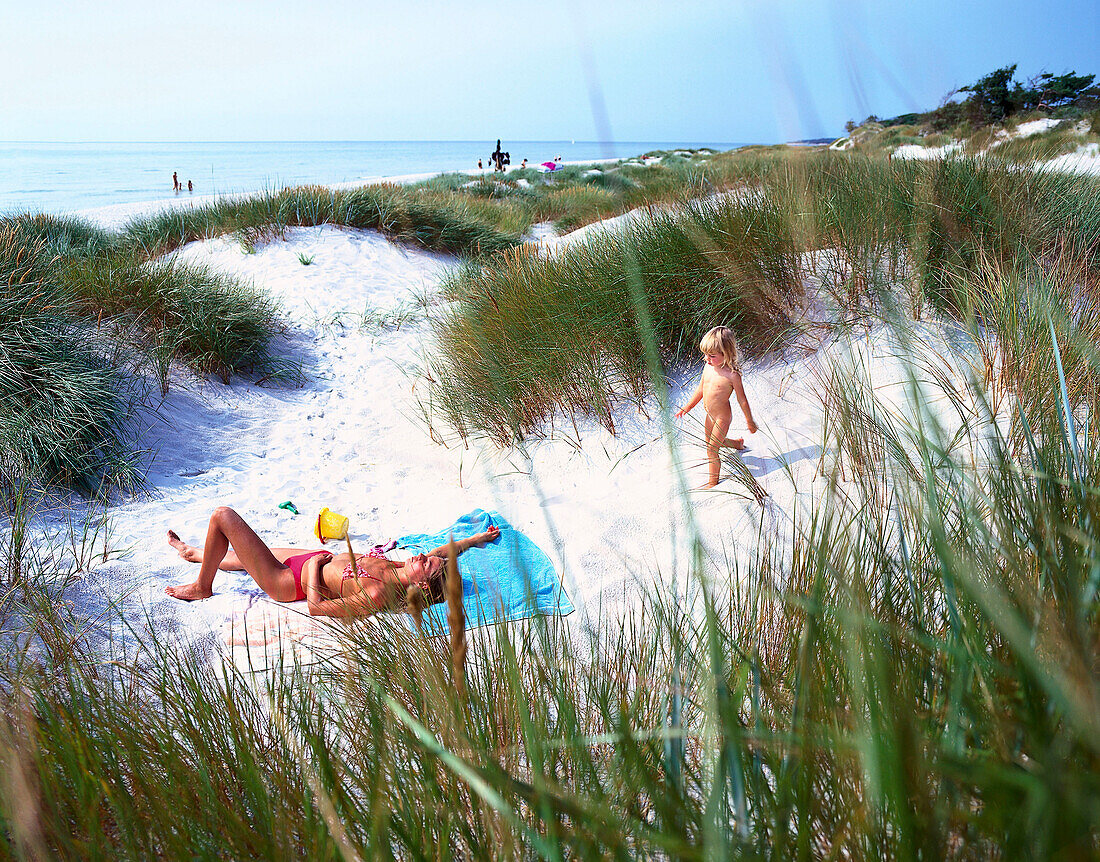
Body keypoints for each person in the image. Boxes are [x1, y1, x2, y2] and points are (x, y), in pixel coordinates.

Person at [164, 506, 500, 617]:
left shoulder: (379, 595)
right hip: (310, 559)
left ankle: (201, 587)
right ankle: (193, 554)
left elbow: (316, 608)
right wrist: (477, 540)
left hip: (289, 581)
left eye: (425, 565)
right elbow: (443, 553)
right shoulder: (401, 569)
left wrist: (312, 568)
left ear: (422, 584)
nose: (422, 556)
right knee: (239, 557)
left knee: (224, 518)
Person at [675, 326, 758, 488]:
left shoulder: (732, 375)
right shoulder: (708, 367)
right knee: (712, 443)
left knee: (712, 450)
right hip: (709, 415)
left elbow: (742, 400)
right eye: (705, 354)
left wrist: (750, 421)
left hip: (722, 418)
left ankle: (713, 482)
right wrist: (688, 407)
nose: (706, 359)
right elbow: (701, 388)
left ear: (725, 353)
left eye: (712, 356)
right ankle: (737, 444)